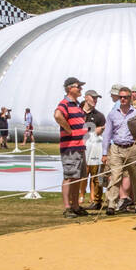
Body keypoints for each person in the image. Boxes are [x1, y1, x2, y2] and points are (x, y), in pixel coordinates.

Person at [102, 86, 136, 213]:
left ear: (130, 98)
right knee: (115, 175)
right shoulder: (112, 114)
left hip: (132, 148)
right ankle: (111, 205)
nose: (123, 99)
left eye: (125, 97)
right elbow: (107, 134)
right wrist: (104, 153)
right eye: (121, 97)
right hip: (116, 147)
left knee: (135, 176)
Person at [55, 78, 89, 218]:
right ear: (70, 88)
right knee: (69, 177)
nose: (80, 89)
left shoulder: (76, 105)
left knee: (78, 177)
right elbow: (58, 115)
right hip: (70, 147)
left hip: (79, 146)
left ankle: (75, 205)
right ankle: (68, 207)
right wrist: (69, 130)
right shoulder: (65, 103)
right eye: (78, 87)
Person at [81, 90, 105, 208]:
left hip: (95, 149)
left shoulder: (99, 116)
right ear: (86, 98)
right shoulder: (77, 113)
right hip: (80, 149)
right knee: (80, 176)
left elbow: (103, 133)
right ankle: (76, 200)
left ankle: (97, 201)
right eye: (93, 97)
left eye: (97, 98)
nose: (95, 100)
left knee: (96, 176)